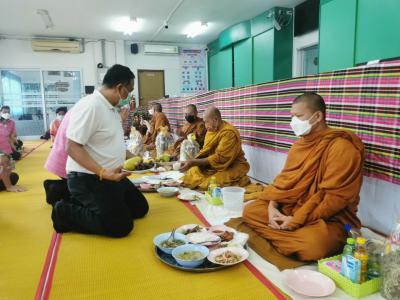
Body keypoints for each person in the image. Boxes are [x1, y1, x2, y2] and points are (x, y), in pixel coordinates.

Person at [239, 92, 364, 263]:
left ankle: (286, 234)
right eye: (292, 117)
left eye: (298, 116)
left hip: (327, 217)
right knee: (250, 211)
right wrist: (272, 206)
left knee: (314, 245)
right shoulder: (299, 146)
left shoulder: (342, 147)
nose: (293, 122)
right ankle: (287, 235)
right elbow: (282, 183)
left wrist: (296, 220)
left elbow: (334, 200)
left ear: (317, 116)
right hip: (291, 207)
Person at [51, 64, 149, 237]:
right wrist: (103, 172)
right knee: (121, 226)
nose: (129, 96)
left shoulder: (110, 108)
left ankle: (91, 202)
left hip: (111, 176)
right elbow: (72, 147)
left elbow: (112, 141)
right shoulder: (91, 106)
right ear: (119, 87)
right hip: (88, 178)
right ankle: (63, 211)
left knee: (140, 208)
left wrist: (137, 158)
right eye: (129, 90)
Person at [180, 106, 250, 190]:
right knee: (193, 171)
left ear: (215, 120)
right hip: (213, 164)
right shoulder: (211, 131)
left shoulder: (228, 133)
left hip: (232, 165)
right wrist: (194, 162)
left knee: (209, 184)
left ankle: (239, 179)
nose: (205, 126)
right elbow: (205, 151)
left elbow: (221, 158)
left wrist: (194, 161)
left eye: (206, 122)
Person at [43, 110, 72, 205]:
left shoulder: (71, 114)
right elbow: (52, 136)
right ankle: (55, 189)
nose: (61, 115)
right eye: (60, 114)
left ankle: (52, 185)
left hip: (60, 154)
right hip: (66, 157)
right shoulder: (54, 122)